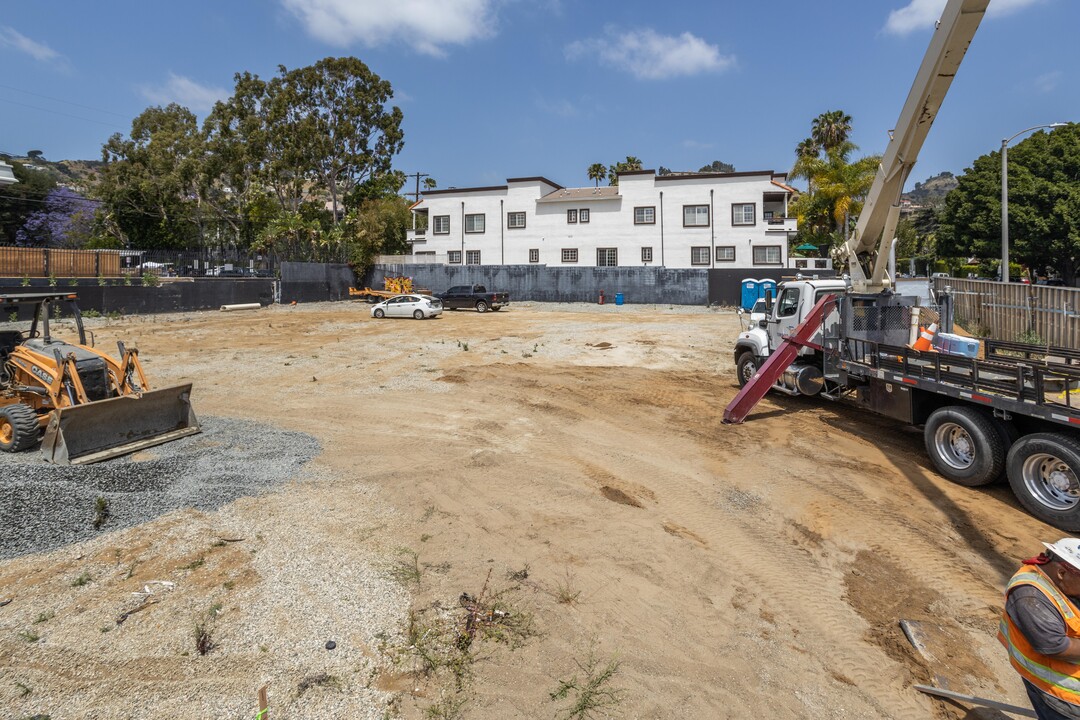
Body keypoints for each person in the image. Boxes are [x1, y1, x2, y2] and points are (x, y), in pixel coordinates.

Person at [1000, 538, 1080, 719]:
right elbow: (1055, 646)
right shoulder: (1030, 597)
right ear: (1061, 573)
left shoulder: (1066, 583)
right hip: (1063, 697)